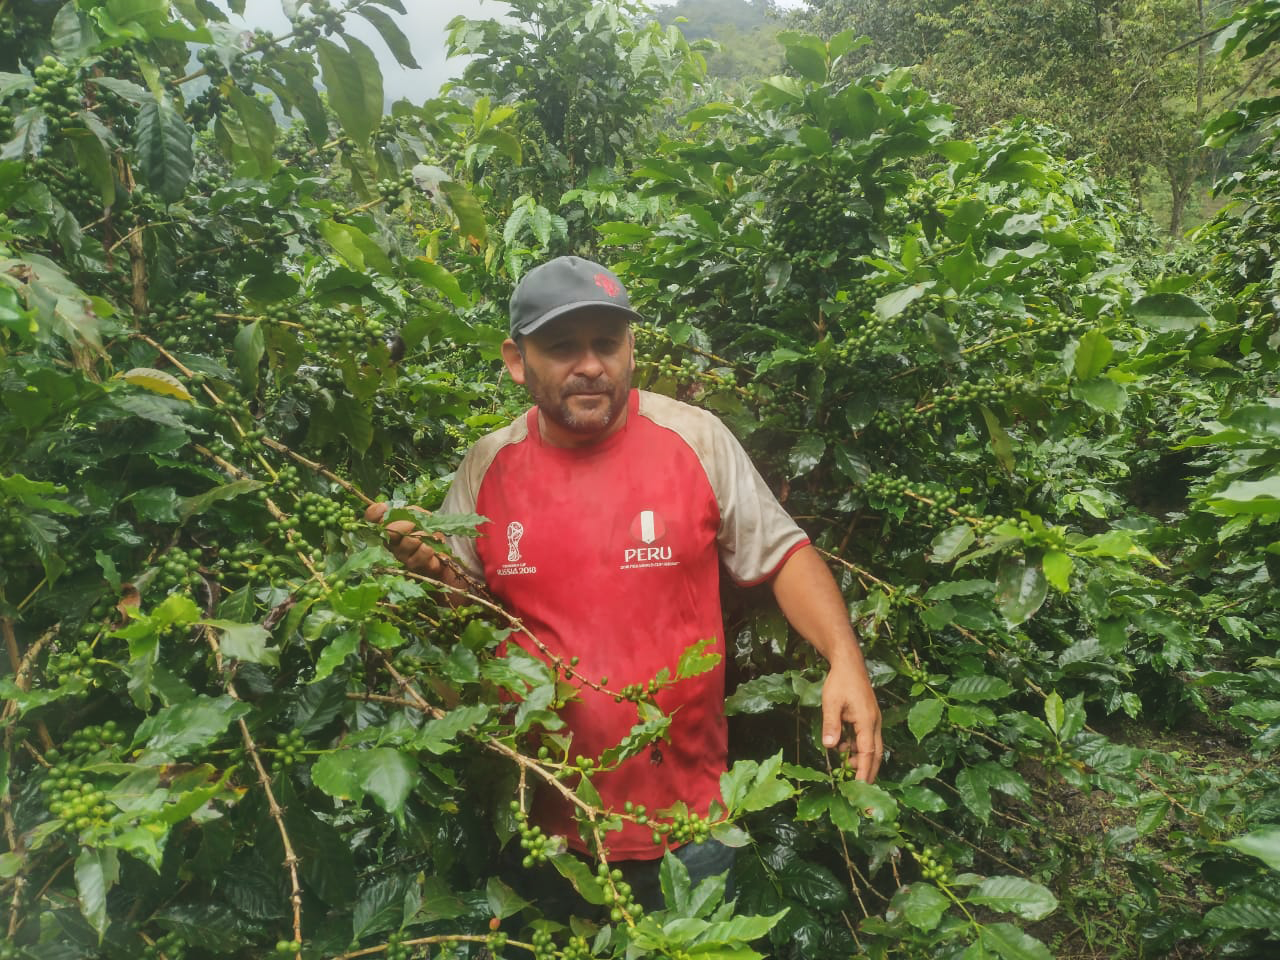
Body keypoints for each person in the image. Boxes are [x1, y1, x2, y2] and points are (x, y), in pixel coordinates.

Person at [367, 255, 881, 910]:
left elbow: (782, 555)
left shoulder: (693, 439)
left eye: (606, 343)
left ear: (630, 347)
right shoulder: (488, 468)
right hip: (541, 829)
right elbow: (467, 620)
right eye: (561, 347)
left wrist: (845, 659)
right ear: (517, 360)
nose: (590, 365)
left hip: (692, 830)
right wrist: (429, 574)